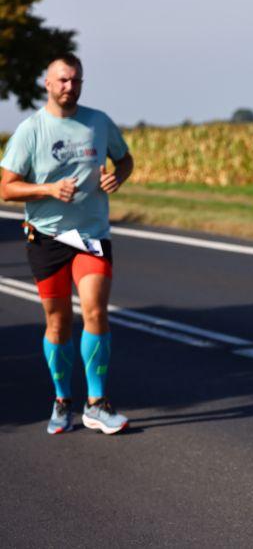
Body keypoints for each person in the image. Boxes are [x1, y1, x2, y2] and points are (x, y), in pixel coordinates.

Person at [1, 54, 135, 435]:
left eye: (75, 80)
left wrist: (117, 177)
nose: (69, 87)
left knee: (95, 311)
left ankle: (96, 403)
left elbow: (125, 160)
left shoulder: (98, 122)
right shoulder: (31, 130)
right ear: (47, 84)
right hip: (47, 237)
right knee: (58, 321)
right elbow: (6, 188)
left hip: (92, 235)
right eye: (62, 80)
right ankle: (62, 401)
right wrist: (47, 189)